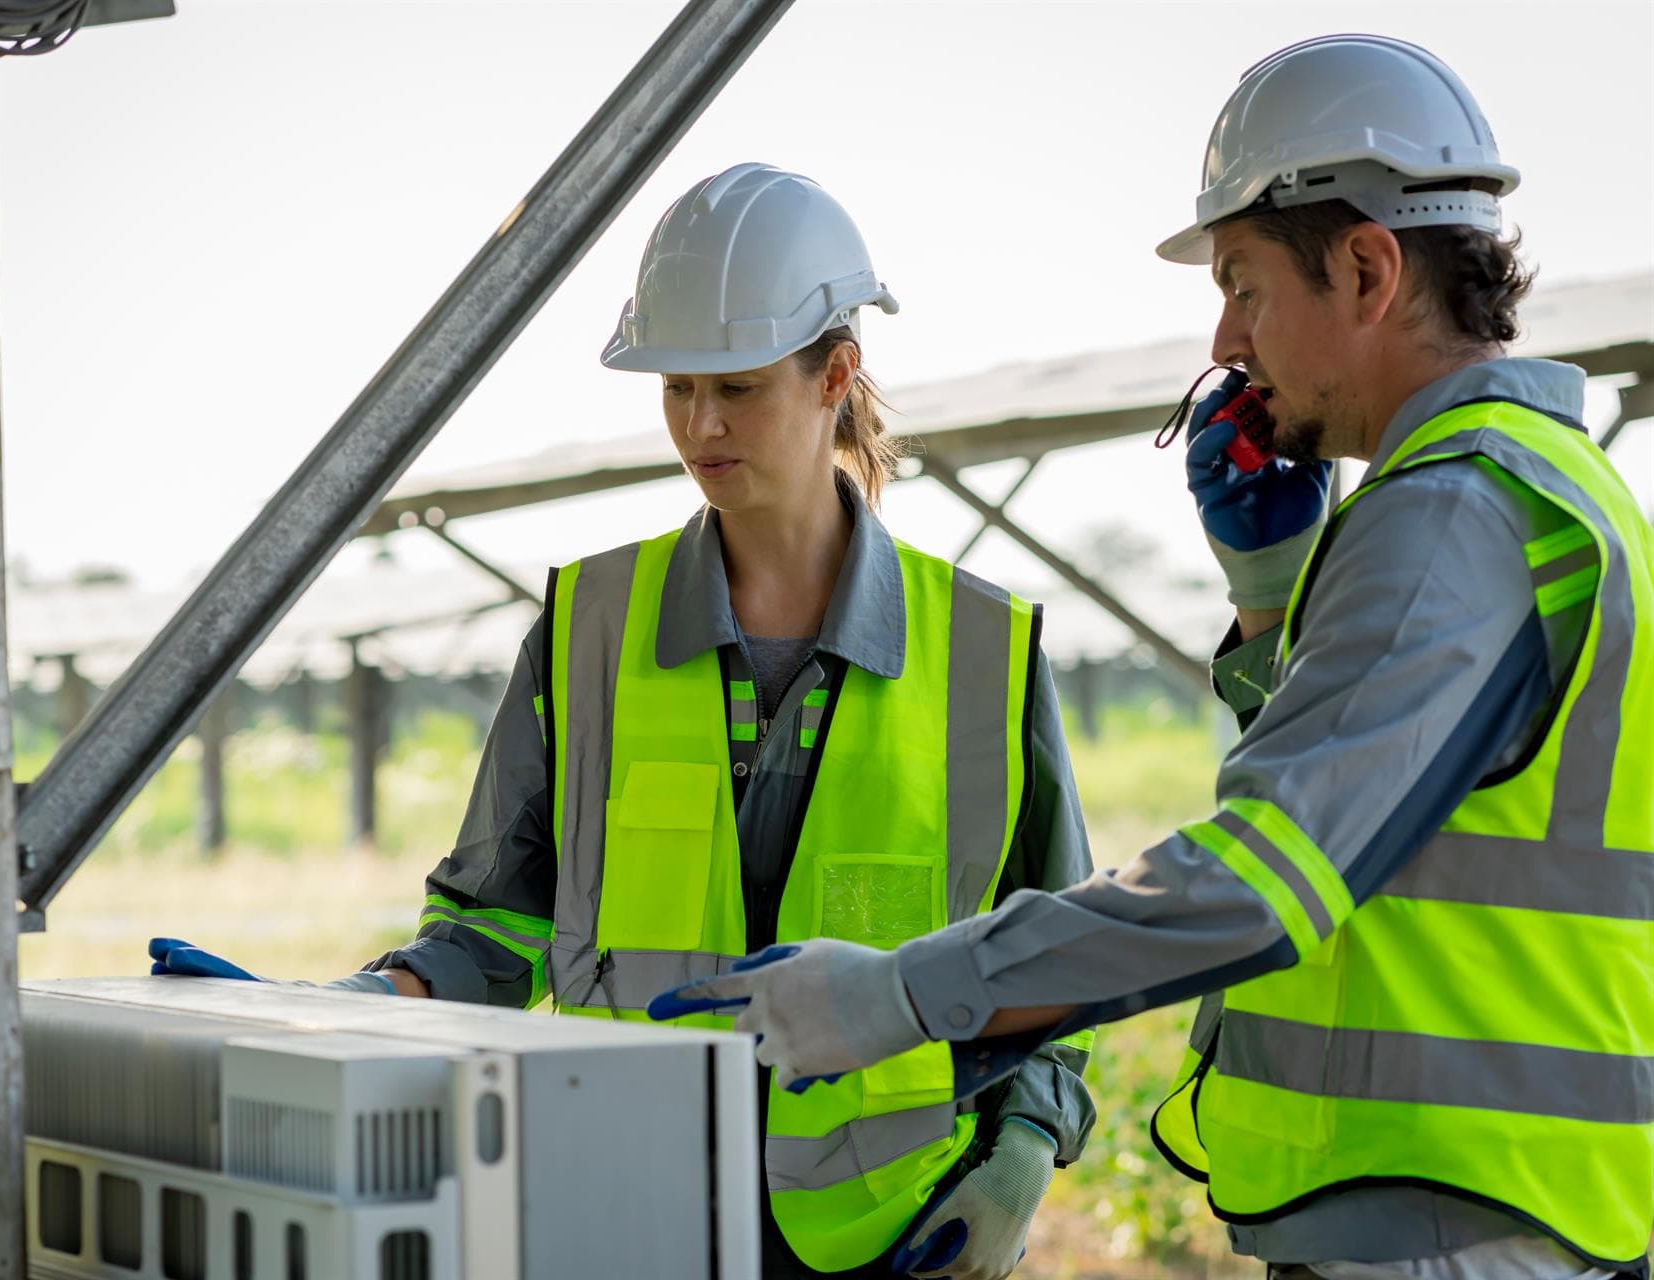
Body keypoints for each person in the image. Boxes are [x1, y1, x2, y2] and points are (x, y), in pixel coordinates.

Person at [655, 39, 1654, 1280]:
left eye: (1243, 283)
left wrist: (900, 996)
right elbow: (1404, 820)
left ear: (1365, 267)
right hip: (1482, 1201)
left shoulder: (1452, 508)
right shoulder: (1544, 487)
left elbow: (1263, 876)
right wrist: (1278, 596)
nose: (1226, 337)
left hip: (1451, 1217)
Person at [151, 163, 1098, 1279]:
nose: (700, 424)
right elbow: (499, 929)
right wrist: (345, 1008)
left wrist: (1025, 1148)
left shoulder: (988, 649)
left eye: (737, 387)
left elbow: (1059, 954)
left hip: (896, 1232)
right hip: (629, 1217)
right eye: (675, 386)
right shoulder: (585, 626)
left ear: (835, 373)